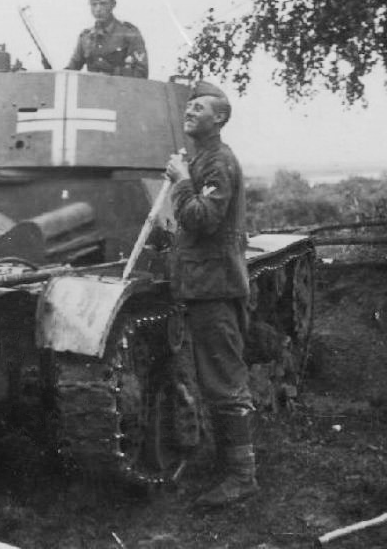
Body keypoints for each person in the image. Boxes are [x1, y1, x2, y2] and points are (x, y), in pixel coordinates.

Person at [165, 80, 258, 508]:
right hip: (204, 284)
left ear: (219, 118)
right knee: (216, 376)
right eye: (189, 106)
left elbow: (203, 219)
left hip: (215, 286)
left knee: (224, 380)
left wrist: (182, 182)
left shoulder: (217, 162)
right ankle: (229, 466)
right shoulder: (203, 158)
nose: (189, 111)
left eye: (199, 107)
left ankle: (241, 477)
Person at [66, 0, 148, 78]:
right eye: (94, 4)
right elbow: (71, 70)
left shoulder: (129, 33)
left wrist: (112, 71)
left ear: (113, 4)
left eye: (103, 3)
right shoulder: (85, 37)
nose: (98, 9)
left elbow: (141, 73)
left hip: (120, 87)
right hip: (92, 87)